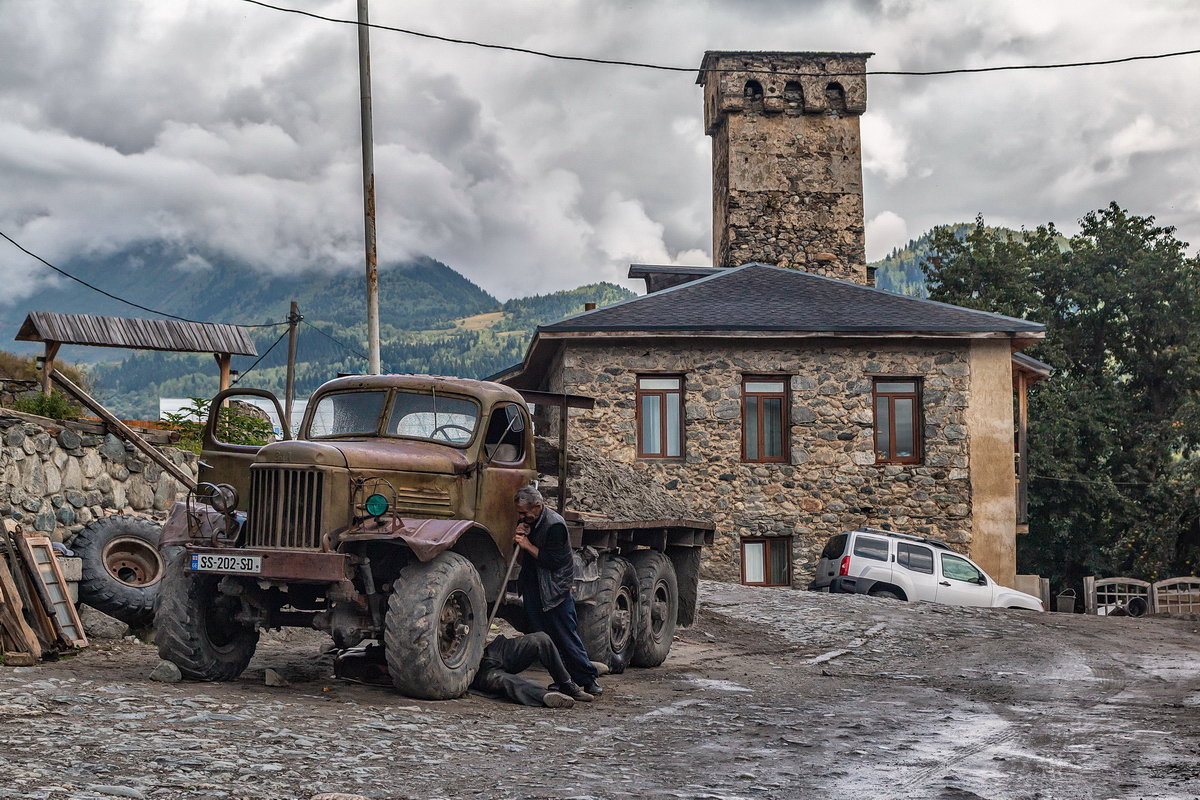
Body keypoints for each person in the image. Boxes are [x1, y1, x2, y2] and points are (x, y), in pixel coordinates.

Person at [513, 486, 603, 697]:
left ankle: (588, 680)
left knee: (565, 635)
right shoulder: (527, 523)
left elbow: (553, 561)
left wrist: (526, 544)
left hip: (555, 589)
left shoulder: (555, 525)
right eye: (519, 513)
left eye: (525, 512)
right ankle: (562, 680)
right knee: (543, 639)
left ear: (537, 506)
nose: (522, 516)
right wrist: (517, 539)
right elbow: (520, 558)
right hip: (534, 588)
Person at [471, 632, 591, 708]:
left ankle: (566, 683)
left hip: (493, 650)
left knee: (541, 639)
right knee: (508, 681)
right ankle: (544, 696)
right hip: (474, 671)